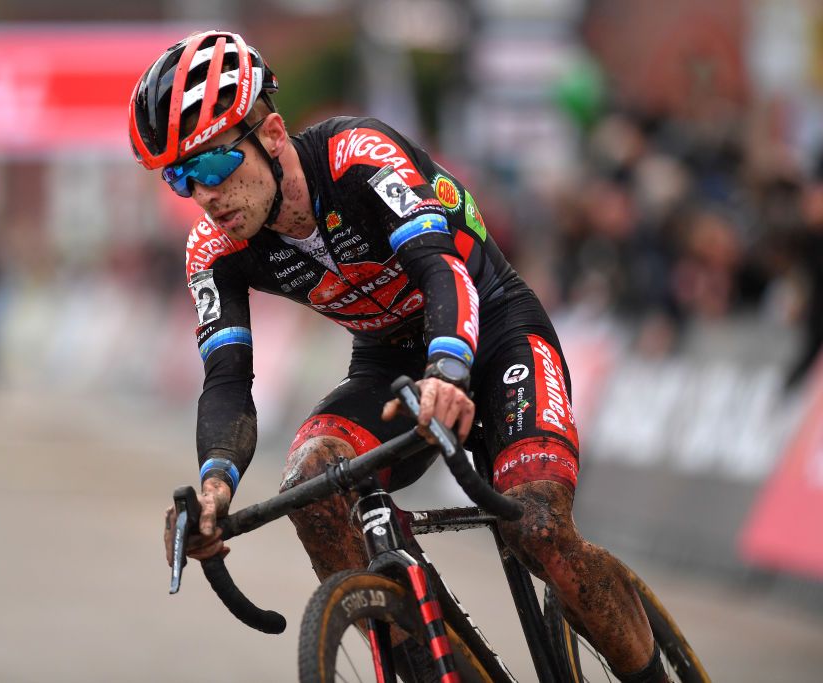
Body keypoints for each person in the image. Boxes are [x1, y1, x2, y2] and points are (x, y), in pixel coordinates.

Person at [137, 30, 666, 682]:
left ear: (272, 133)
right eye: (181, 177)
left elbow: (443, 267)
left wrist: (447, 368)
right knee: (310, 481)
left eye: (213, 164)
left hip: (493, 326)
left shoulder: (356, 153)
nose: (206, 194)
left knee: (538, 530)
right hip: (389, 361)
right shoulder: (212, 250)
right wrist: (216, 486)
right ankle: (430, 651)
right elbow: (226, 379)